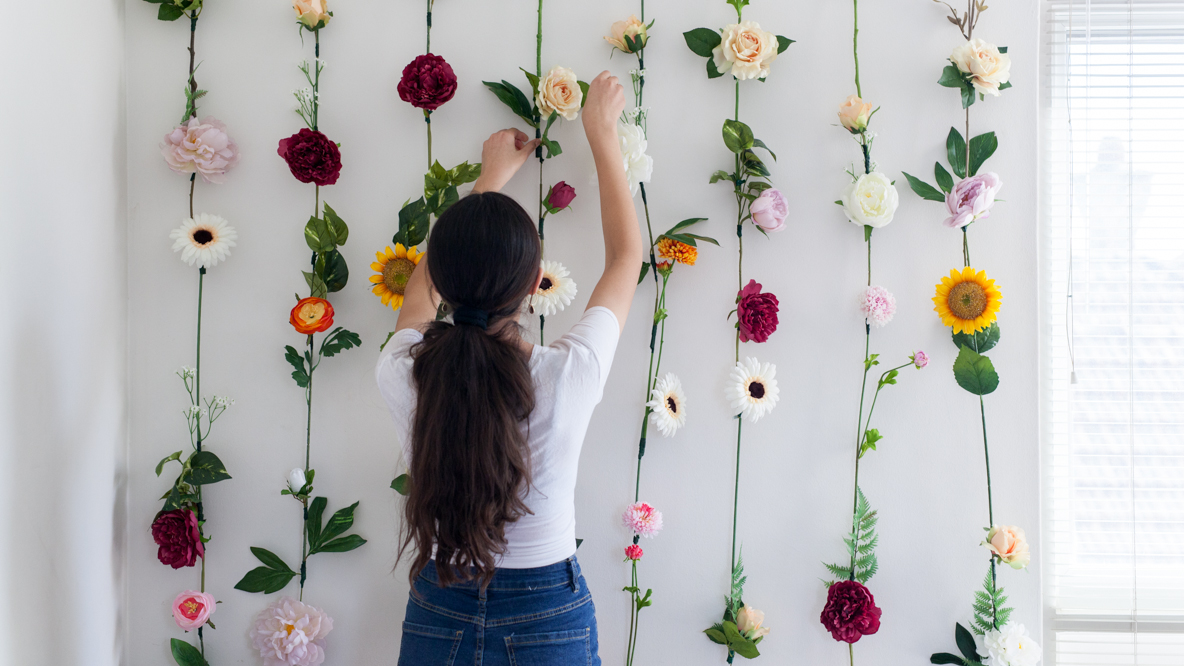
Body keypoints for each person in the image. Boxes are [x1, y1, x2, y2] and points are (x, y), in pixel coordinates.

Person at [376, 71, 638, 665]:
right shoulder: (567, 377)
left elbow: (420, 300)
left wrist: (487, 184)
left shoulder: (403, 370)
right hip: (547, 608)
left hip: (438, 605)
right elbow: (627, 257)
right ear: (531, 286)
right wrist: (601, 133)